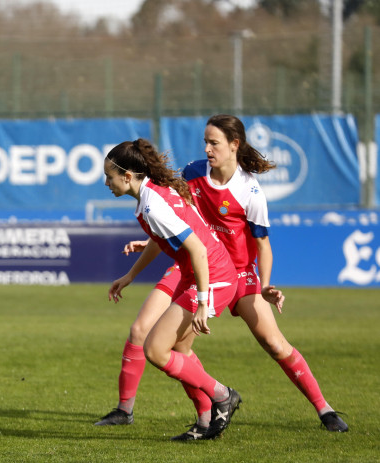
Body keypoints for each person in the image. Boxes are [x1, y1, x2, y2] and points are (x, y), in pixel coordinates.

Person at [96, 114, 348, 438]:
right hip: (194, 264)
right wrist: (146, 249)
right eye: (205, 141)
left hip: (234, 272)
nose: (207, 148)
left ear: (234, 145)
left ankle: (324, 408)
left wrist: (266, 283)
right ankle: (198, 418)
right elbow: (180, 221)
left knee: (274, 343)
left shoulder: (250, 192)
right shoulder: (193, 173)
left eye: (214, 142)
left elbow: (262, 244)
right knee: (155, 337)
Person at [102, 138, 241, 440]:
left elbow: (198, 250)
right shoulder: (150, 196)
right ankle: (205, 421)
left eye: (109, 176)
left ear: (127, 176)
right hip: (206, 275)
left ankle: (222, 396)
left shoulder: (152, 204)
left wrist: (203, 303)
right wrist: (130, 275)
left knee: (154, 349)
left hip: (213, 277)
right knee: (178, 349)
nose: (106, 183)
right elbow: (161, 239)